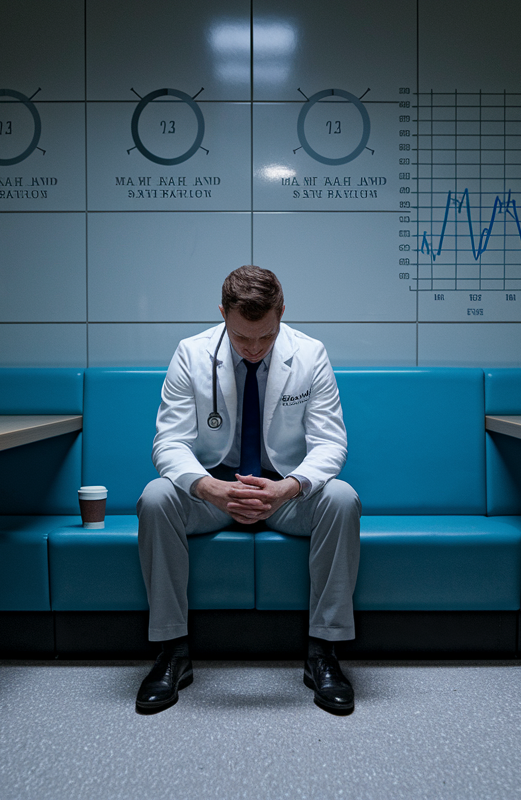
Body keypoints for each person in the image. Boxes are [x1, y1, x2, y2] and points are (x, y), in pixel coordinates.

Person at [135, 264, 361, 715]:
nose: (255, 349)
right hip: (213, 492)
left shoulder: (310, 353)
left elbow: (331, 442)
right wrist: (209, 488)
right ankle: (171, 652)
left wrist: (290, 488)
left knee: (342, 498)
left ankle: (324, 654)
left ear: (281, 312)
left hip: (284, 495)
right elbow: (169, 441)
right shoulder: (190, 353)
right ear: (223, 314)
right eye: (242, 338)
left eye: (266, 336)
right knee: (156, 497)